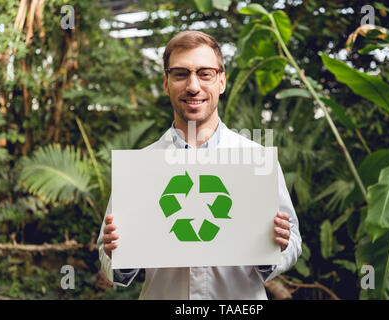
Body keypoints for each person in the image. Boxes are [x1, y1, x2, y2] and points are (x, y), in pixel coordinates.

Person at [97, 31, 302, 299]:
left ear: (222, 81)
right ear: (166, 83)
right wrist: (116, 252)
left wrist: (275, 247)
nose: (193, 86)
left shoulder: (256, 161)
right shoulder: (141, 168)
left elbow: (293, 241)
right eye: (180, 74)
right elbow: (108, 256)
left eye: (205, 73)